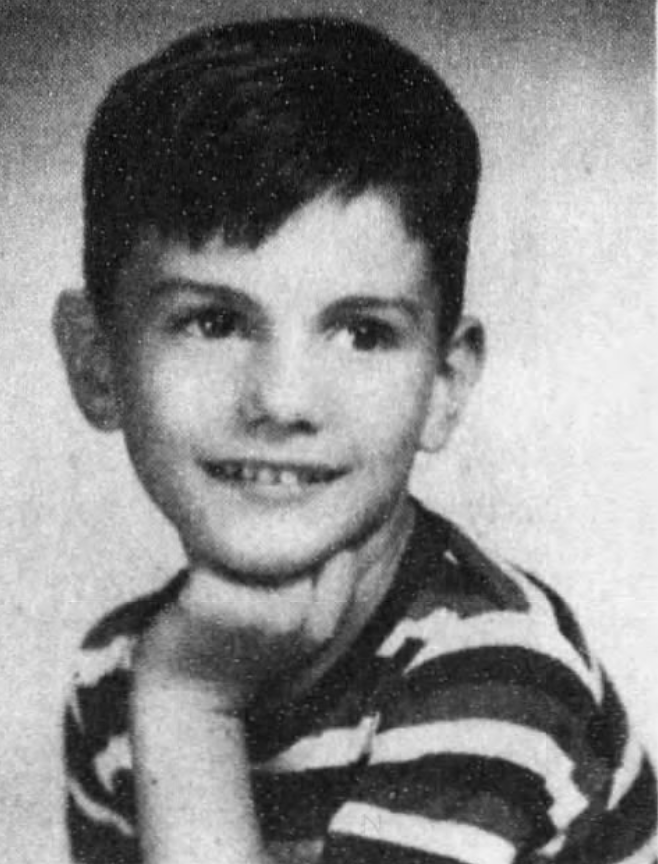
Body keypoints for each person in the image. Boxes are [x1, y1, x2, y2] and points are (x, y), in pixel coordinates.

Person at [54, 15, 657, 864]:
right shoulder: (116, 673)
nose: (282, 400)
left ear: (444, 385)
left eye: (363, 333)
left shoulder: (494, 671)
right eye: (214, 321)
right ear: (96, 361)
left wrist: (191, 706)